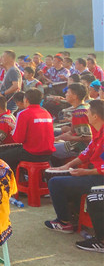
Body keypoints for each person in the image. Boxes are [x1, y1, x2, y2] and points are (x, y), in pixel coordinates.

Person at [44, 99, 104, 233]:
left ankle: (64, 222)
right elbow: (86, 153)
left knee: (55, 183)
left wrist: (87, 172)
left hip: (99, 178)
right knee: (58, 175)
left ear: (95, 116)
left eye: (88, 112)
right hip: (94, 173)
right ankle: (74, 216)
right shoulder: (97, 131)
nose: (86, 114)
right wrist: (65, 166)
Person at [0, 88, 54, 172]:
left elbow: (18, 139)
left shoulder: (23, 113)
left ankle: (15, 180)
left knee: (0, 158)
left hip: (32, 154)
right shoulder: (46, 113)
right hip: (48, 154)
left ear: (26, 100)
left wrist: (14, 130)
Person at [53, 83, 92, 162]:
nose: (65, 94)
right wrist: (57, 138)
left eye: (68, 92)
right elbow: (72, 131)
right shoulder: (85, 106)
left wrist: (70, 138)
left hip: (79, 147)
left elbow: (88, 137)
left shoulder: (80, 113)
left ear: (75, 96)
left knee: (47, 150)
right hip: (76, 143)